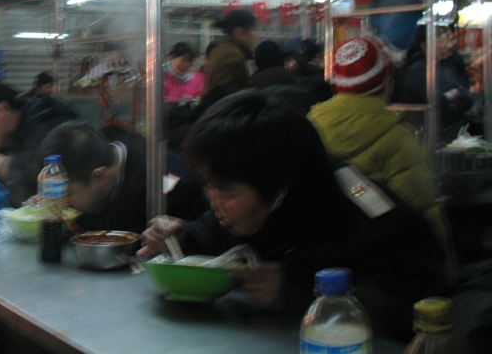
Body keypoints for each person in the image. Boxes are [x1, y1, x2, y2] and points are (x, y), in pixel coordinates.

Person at [138, 90, 449, 341]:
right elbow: (220, 229)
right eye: (208, 184)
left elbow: (409, 306)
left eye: (226, 191)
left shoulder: (378, 224)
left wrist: (295, 294)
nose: (213, 200)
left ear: (279, 190)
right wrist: (186, 238)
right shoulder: (254, 188)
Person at [307, 36, 454, 270]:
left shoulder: (308, 126)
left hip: (323, 269)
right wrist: (446, 276)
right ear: (386, 81)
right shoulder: (396, 137)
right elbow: (423, 214)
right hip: (385, 271)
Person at [38, 121, 207, 233]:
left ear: (99, 177)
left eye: (67, 194)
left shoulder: (168, 186)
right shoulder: (99, 150)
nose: (62, 203)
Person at [0, 79, 77, 207]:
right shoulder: (13, 133)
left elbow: (54, 185)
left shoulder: (48, 126)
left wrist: (4, 166)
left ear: (1, 110)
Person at [400, 24, 475, 143]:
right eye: (439, 41)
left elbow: (468, 96)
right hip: (431, 136)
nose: (445, 46)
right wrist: (455, 93)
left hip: (451, 134)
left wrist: (454, 94)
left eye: (446, 41)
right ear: (424, 46)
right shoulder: (418, 70)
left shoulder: (446, 66)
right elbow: (439, 102)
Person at [204, 9, 256, 94]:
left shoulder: (223, 51)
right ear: (240, 32)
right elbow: (226, 99)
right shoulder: (233, 57)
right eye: (252, 29)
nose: (254, 34)